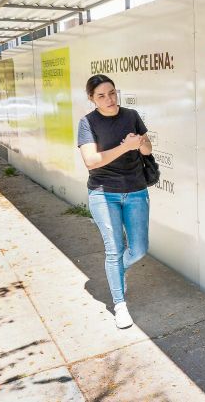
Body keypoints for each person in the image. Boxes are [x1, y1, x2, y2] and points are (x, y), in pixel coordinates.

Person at [77, 74, 152, 329]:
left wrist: (140, 143)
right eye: (101, 95)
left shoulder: (131, 115)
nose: (109, 99)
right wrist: (124, 146)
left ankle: (117, 272)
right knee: (114, 249)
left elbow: (148, 149)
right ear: (91, 99)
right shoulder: (87, 123)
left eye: (112, 93)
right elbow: (92, 161)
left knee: (139, 248)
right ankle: (119, 304)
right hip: (102, 192)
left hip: (136, 190)